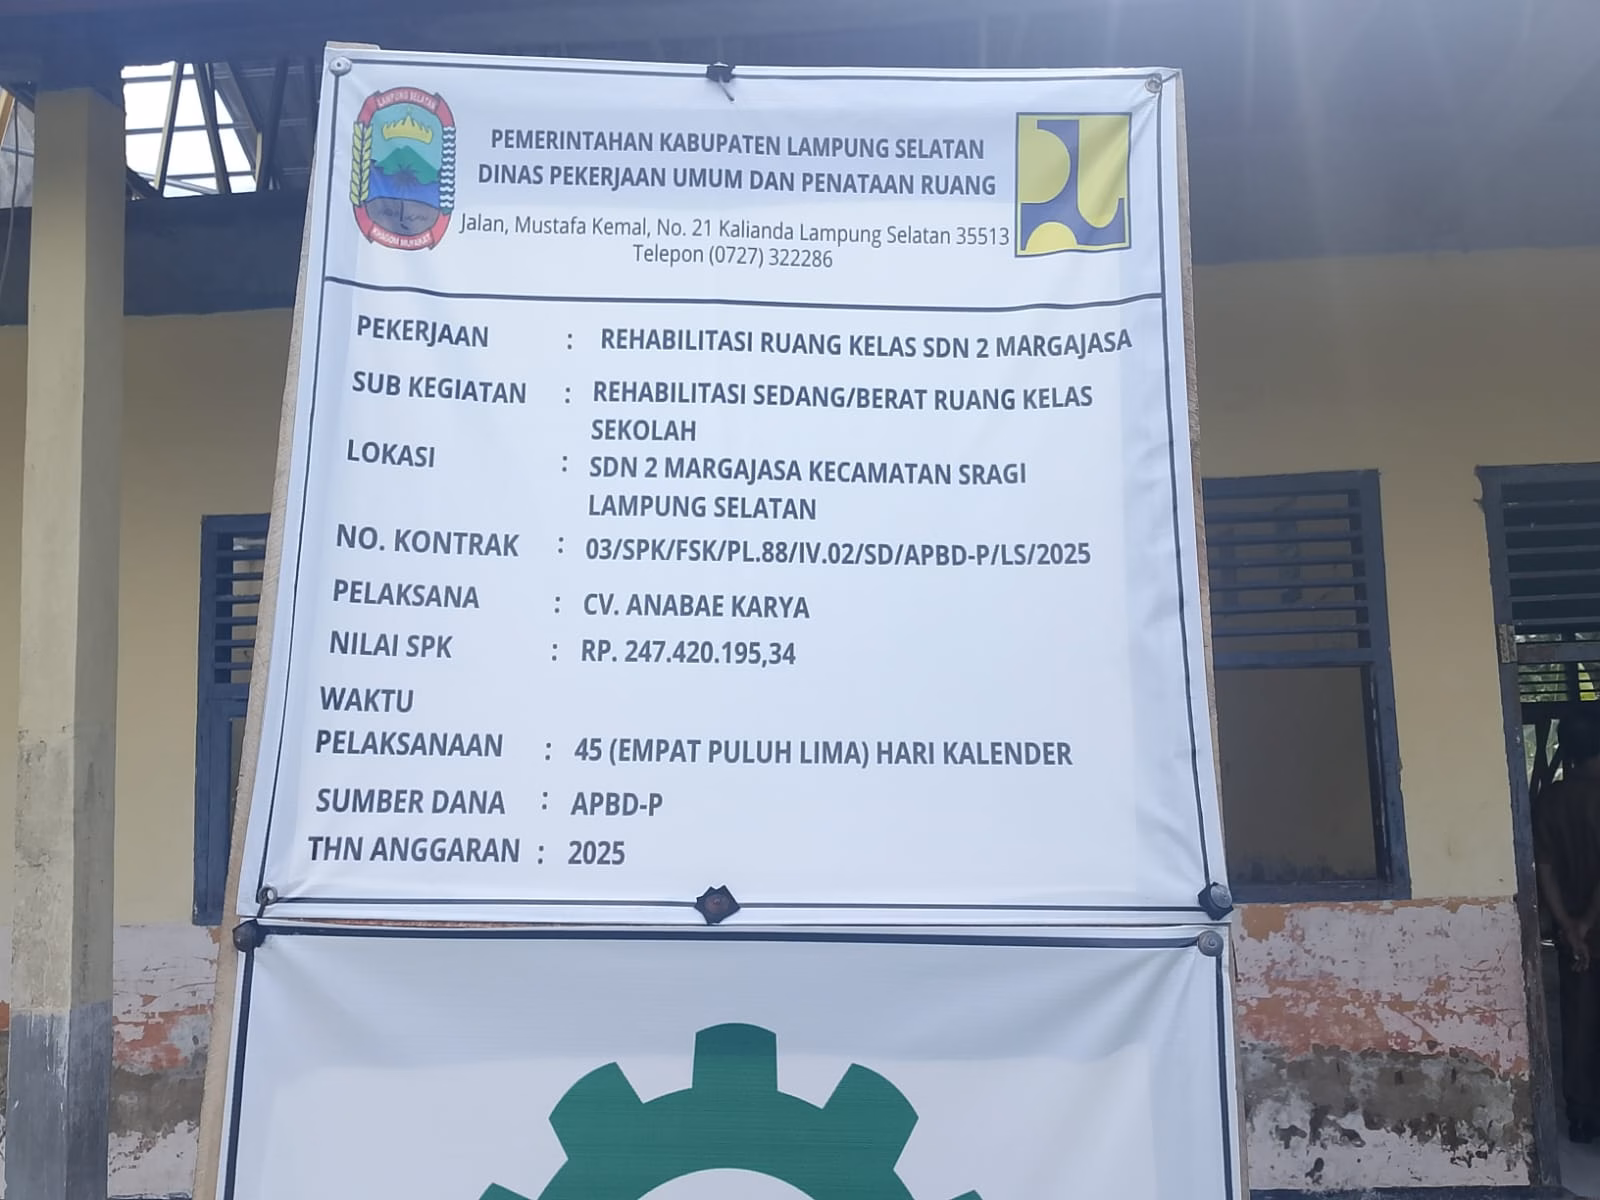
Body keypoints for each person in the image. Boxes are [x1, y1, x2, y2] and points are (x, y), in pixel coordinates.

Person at [1536, 713, 1600, 1143]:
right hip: (1590, 926)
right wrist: (1588, 921)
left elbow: (1543, 867)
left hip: (1573, 941)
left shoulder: (1550, 800)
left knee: (1578, 1020)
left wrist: (1569, 927)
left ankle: (1582, 1115)